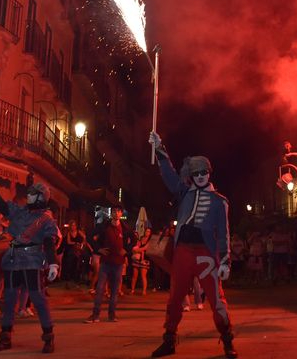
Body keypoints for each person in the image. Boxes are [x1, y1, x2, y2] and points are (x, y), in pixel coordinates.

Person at [148, 131, 237, 358]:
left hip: (207, 254)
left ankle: (228, 341)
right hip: (183, 252)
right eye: (195, 173)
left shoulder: (220, 201)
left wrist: (225, 259)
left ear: (209, 173)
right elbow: (168, 174)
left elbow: (223, 232)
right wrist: (160, 148)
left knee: (216, 298)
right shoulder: (184, 191)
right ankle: (169, 340)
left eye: (203, 172)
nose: (199, 176)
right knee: (175, 297)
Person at [0, 174, 60, 353]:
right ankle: (5, 337)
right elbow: (2, 206)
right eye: (30, 193)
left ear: (41, 198)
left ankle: (48, 337)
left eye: (33, 194)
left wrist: (53, 263)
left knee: (39, 300)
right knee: (9, 300)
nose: (29, 196)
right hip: (12, 260)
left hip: (32, 261)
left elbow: (49, 242)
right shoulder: (19, 211)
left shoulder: (47, 220)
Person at [85, 203, 134, 323]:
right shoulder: (104, 226)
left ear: (121, 213)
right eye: (114, 211)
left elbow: (134, 239)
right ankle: (95, 315)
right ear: (111, 213)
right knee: (100, 289)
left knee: (115, 291)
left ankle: (112, 315)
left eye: (118, 211)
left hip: (118, 263)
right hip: (105, 263)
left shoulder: (125, 228)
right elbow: (90, 235)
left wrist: (126, 250)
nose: (116, 213)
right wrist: (98, 249)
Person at [62, 220, 85, 289]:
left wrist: (81, 244)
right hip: (70, 251)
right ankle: (68, 282)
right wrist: (76, 243)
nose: (73, 227)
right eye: (72, 225)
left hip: (78, 251)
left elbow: (84, 237)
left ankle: (77, 281)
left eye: (74, 225)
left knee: (78, 265)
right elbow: (69, 242)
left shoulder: (79, 232)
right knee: (69, 265)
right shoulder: (69, 233)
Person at [130, 227, 152, 295]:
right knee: (134, 275)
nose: (147, 232)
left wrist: (137, 250)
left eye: (149, 231)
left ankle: (144, 291)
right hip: (137, 259)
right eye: (146, 231)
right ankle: (132, 290)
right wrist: (136, 249)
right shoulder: (141, 239)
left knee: (143, 275)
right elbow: (136, 246)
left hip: (145, 260)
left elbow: (145, 248)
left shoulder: (150, 240)